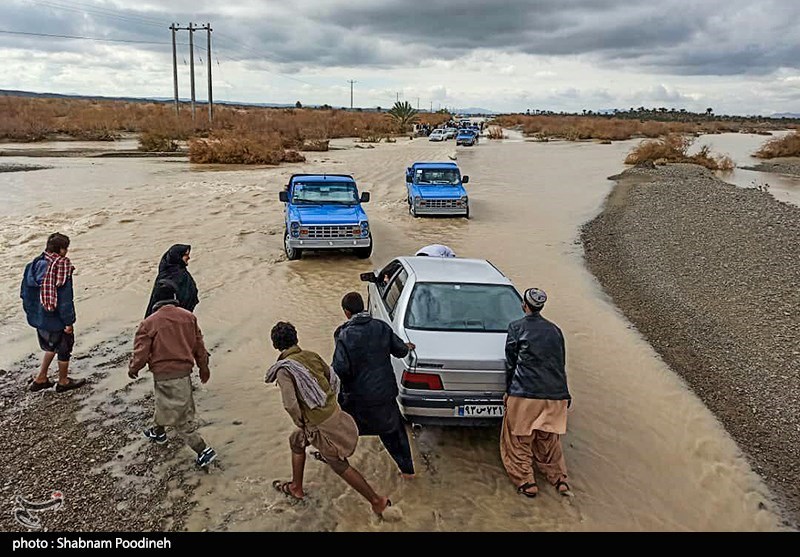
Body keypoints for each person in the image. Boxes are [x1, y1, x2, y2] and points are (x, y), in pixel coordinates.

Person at [266, 321, 392, 516]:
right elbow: (332, 378)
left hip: (319, 425)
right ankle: (296, 487)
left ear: (275, 345)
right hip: (334, 412)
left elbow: (291, 404)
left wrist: (302, 422)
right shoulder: (311, 355)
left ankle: (377, 501)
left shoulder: (284, 370)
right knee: (296, 441)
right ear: (296, 338)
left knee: (339, 464)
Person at [128, 280, 216, 468]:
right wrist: (203, 367)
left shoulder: (148, 323)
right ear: (175, 298)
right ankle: (158, 432)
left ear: (155, 300)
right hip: (183, 372)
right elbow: (199, 346)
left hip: (163, 374)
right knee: (166, 403)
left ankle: (203, 450)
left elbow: (141, 352)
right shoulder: (188, 317)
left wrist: (134, 368)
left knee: (179, 418)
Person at [332, 292, 416, 478]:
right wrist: (406, 345)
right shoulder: (381, 327)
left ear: (346, 312)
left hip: (358, 399)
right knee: (394, 434)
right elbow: (400, 351)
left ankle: (333, 458)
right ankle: (408, 472)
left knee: (343, 429)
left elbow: (340, 369)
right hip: (384, 394)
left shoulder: (343, 335)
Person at [501, 287, 572, 498]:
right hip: (555, 395)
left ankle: (526, 482)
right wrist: (565, 394)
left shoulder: (516, 328)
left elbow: (511, 363)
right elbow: (560, 364)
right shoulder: (555, 330)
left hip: (525, 394)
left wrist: (508, 392)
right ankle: (559, 480)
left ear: (524, 305)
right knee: (548, 439)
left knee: (518, 440)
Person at [20, 232, 86, 393]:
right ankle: (63, 381)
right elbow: (64, 301)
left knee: (50, 346)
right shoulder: (61, 268)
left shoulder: (33, 265)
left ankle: (41, 378)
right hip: (56, 319)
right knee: (64, 348)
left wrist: (33, 314)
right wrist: (68, 322)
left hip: (39, 318)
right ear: (62, 250)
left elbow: (24, 293)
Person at [144, 244, 199, 318]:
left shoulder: (170, 272)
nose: (189, 258)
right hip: (173, 319)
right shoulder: (176, 277)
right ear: (178, 257)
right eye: (186, 255)